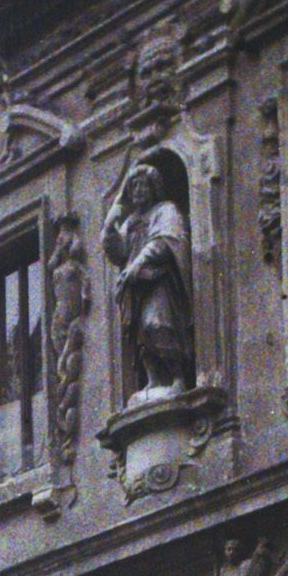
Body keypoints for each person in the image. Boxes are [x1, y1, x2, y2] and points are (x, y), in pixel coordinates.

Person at [102, 160, 193, 401]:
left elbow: (164, 242)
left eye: (143, 186)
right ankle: (153, 379)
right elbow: (118, 252)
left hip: (158, 281)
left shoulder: (166, 210)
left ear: (154, 188)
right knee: (140, 334)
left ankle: (178, 377)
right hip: (135, 287)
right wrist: (109, 230)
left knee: (157, 324)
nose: (139, 191)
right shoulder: (131, 222)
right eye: (134, 188)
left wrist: (138, 264)